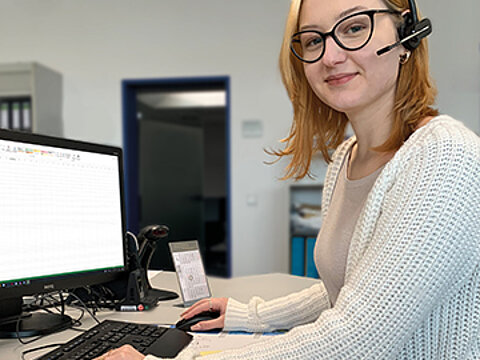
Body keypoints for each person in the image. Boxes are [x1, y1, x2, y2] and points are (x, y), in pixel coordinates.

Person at [96, 0, 480, 358]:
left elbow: (358, 338)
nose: (330, 56)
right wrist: (249, 315)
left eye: (354, 28)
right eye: (313, 40)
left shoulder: (444, 156)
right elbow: (347, 290)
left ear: (406, 37)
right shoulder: (347, 159)